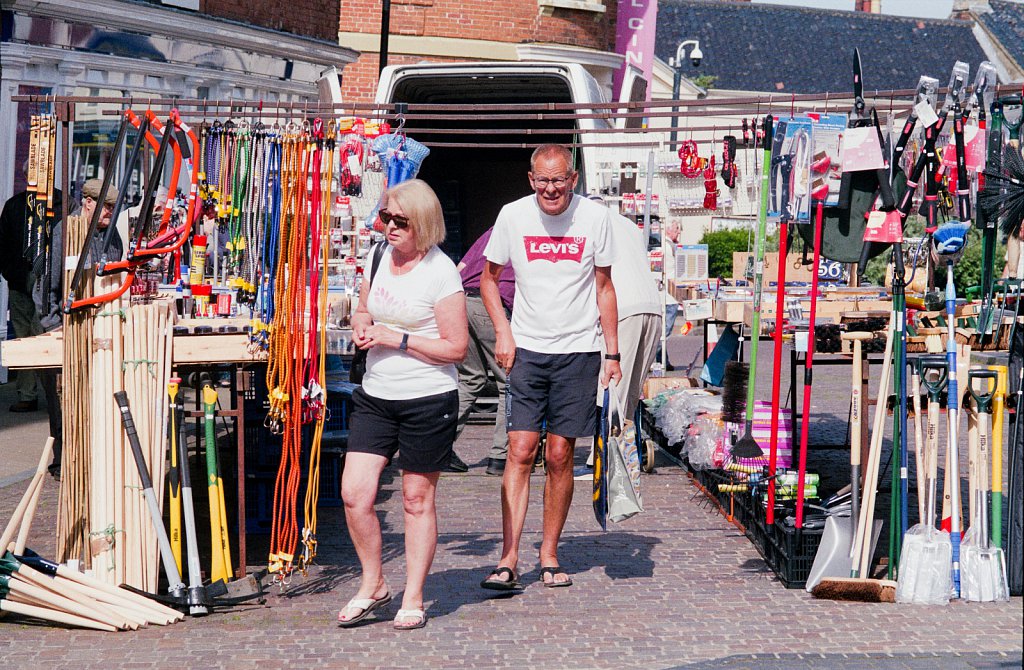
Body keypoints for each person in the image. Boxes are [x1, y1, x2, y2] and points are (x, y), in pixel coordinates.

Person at [479, 144, 620, 590]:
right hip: (528, 349)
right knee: (520, 448)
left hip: (578, 350)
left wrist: (612, 353)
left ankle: (549, 553)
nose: (550, 189)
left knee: (560, 454)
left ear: (573, 180)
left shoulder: (595, 218)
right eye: (542, 180)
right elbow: (488, 278)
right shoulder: (513, 215)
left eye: (559, 180)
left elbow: (604, 288)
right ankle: (508, 557)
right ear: (530, 178)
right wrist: (503, 330)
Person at [338, 179, 468, 631]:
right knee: (354, 493)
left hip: (427, 397)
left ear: (424, 224)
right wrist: (360, 326)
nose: (389, 227)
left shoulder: (441, 272)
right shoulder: (377, 256)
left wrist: (401, 338)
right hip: (376, 393)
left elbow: (457, 348)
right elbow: (362, 309)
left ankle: (413, 594)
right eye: (384, 218)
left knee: (416, 498)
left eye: (399, 221)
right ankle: (373, 582)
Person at [31, 179, 122, 476]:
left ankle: (92, 460)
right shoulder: (65, 233)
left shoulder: (111, 235)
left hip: (97, 329)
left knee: (94, 396)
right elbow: (46, 287)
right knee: (62, 397)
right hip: (63, 328)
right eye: (105, 206)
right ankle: (64, 463)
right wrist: (54, 326)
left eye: (112, 207)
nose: (110, 213)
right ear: (87, 203)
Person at [589, 195, 662, 424]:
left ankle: (603, 456)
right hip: (652, 308)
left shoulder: (590, 222)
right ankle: (624, 452)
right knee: (631, 392)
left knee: (612, 387)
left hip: (622, 308)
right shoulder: (628, 225)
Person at [453, 227, 515, 476]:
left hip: (462, 301)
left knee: (470, 379)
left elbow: (459, 268)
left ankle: (440, 446)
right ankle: (500, 457)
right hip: (491, 304)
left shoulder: (492, 231)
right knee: (509, 382)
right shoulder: (527, 229)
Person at [657, 219, 681, 370]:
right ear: (668, 230)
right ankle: (658, 359)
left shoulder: (664, 245)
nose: (679, 232)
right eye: (677, 229)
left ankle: (662, 359)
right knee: (665, 331)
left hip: (665, 294)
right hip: (669, 296)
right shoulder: (667, 247)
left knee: (662, 330)